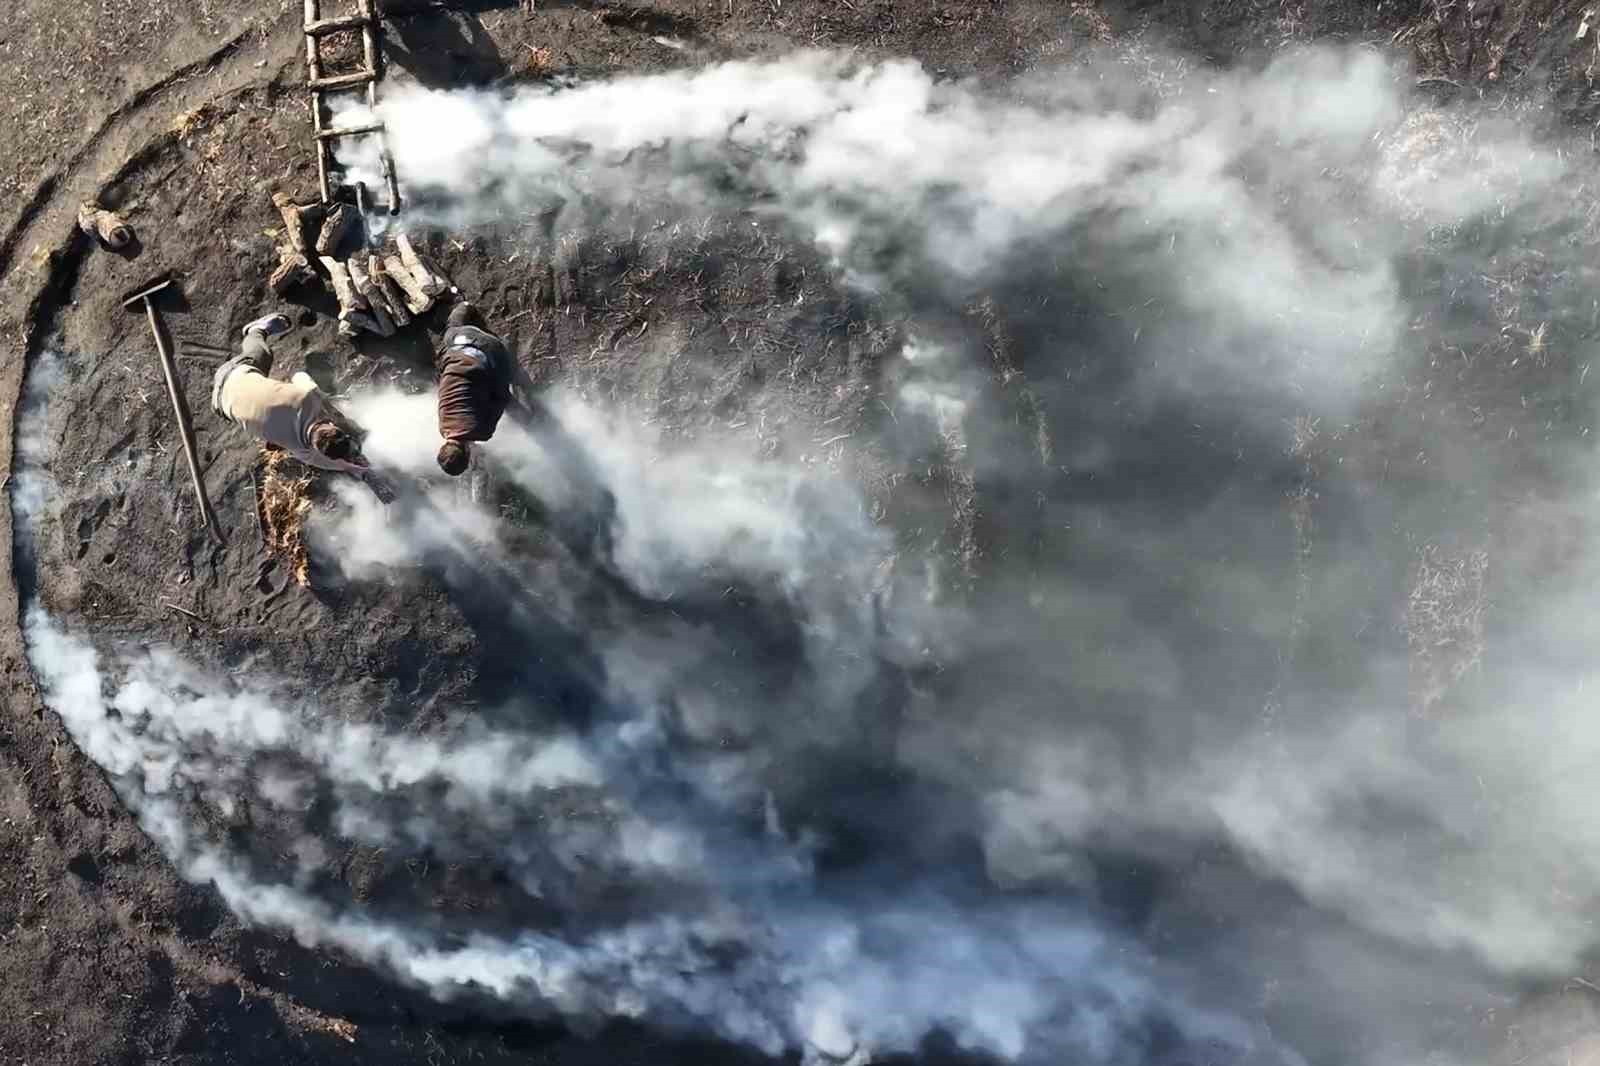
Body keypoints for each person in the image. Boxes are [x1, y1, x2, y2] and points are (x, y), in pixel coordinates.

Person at [212, 312, 393, 500]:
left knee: (263, 356)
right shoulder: (301, 450)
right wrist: (354, 468)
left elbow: (299, 375)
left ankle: (258, 332)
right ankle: (254, 329)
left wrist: (318, 395)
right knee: (260, 358)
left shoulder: (308, 398)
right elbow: (327, 463)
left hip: (232, 382)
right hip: (222, 403)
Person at [434, 299, 525, 477]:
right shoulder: (443, 427)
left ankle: (507, 346)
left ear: (468, 454)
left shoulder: (482, 432)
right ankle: (464, 305)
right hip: (459, 341)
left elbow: (501, 399)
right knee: (451, 330)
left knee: (503, 386)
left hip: (490, 347)